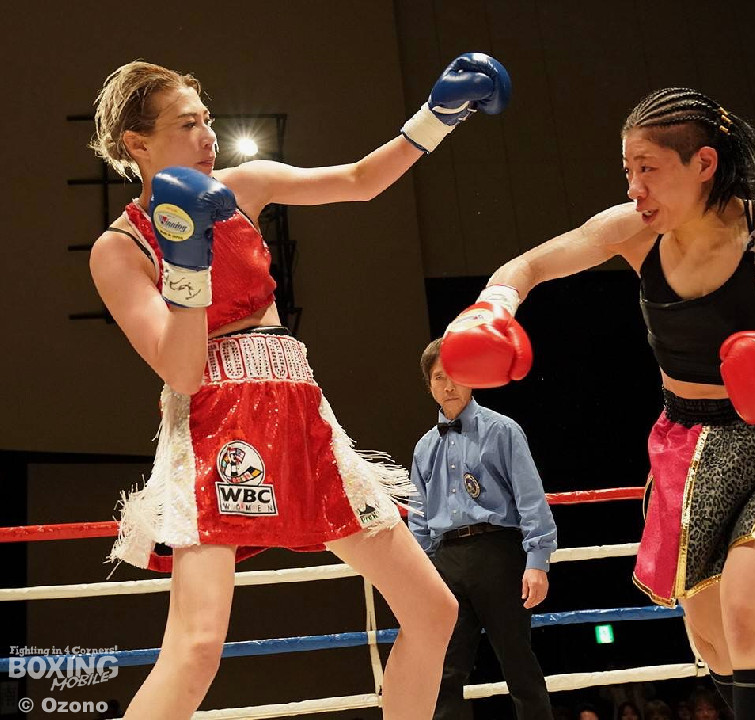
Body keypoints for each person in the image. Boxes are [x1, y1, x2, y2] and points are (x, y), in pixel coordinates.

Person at [438, 87, 755, 720]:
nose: (635, 188)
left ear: (704, 163)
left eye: (649, 168)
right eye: (627, 170)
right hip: (687, 446)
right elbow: (529, 266)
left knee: (748, 610)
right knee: (712, 637)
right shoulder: (637, 231)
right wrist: (492, 308)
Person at [87, 54, 510, 720]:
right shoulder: (119, 249)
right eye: (186, 125)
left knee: (433, 611)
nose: (207, 137)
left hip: (299, 408)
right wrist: (188, 260)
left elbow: (360, 180)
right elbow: (182, 371)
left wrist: (439, 115)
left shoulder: (243, 185)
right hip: (215, 427)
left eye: (207, 120)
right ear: (137, 144)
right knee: (196, 650)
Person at [410, 338, 557, 719]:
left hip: (498, 553)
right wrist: (422, 576)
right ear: (429, 385)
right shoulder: (424, 448)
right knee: (444, 670)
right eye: (439, 378)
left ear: (471, 378)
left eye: (455, 376)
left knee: (517, 662)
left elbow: (530, 497)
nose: (448, 386)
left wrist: (537, 562)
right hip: (445, 561)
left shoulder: (502, 430)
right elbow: (419, 518)